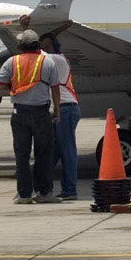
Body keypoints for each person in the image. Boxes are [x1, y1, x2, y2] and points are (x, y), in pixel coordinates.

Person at [0, 29, 65, 204]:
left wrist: (18, 85)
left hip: (19, 113)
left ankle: (24, 195)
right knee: (43, 154)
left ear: (21, 45)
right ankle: (44, 193)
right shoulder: (47, 62)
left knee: (22, 155)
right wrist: (57, 111)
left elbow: (1, 85)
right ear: (36, 45)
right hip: (41, 113)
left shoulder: (12, 62)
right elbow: (55, 89)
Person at [42, 35, 81, 201]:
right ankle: (42, 185)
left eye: (47, 46)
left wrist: (24, 31)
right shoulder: (54, 59)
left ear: (55, 48)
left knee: (67, 150)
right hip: (63, 109)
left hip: (66, 109)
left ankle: (70, 189)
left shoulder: (56, 59)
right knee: (54, 151)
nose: (44, 50)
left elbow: (35, 54)